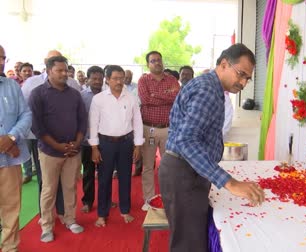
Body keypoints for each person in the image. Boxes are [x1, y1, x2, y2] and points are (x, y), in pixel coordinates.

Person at [159, 43, 265, 251]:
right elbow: (186, 141)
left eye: (248, 78)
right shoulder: (208, 89)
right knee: (188, 244)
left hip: (190, 170)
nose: (243, 83)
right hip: (183, 172)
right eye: (241, 74)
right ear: (224, 64)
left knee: (193, 237)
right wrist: (230, 183)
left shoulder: (213, 88)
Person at [29, 56, 87, 242]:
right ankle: (46, 225)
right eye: (59, 70)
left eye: (66, 70)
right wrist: (57, 146)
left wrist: (76, 143)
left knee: (70, 187)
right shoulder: (37, 94)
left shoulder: (74, 94)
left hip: (72, 150)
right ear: (48, 71)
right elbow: (36, 126)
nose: (64, 74)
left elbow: (82, 121)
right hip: (49, 151)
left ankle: (70, 219)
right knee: (49, 190)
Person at [88, 65, 144, 227]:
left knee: (125, 178)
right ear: (107, 80)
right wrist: (94, 148)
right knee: (104, 180)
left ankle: (125, 210)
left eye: (121, 78)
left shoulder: (131, 97)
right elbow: (93, 123)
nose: (119, 81)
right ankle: (102, 214)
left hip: (126, 143)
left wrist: (138, 146)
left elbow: (138, 123)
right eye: (115, 78)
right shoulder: (99, 99)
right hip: (105, 144)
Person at [138, 51, 180, 211]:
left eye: (159, 60)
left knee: (169, 165)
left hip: (168, 129)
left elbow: (177, 97)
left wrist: (156, 95)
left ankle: (168, 198)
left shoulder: (172, 79)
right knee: (148, 166)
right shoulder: (143, 80)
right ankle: (148, 199)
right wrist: (166, 95)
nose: (157, 63)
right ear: (148, 64)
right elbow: (145, 99)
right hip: (148, 129)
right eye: (153, 61)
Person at [0, 44, 32, 252]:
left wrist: (11, 137)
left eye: (3, 57)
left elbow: (26, 114)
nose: (2, 62)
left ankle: (10, 247)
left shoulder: (11, 86)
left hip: (9, 161)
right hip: (8, 151)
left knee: (11, 207)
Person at [80, 66, 104, 213]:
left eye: (100, 79)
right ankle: (88, 201)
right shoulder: (81, 96)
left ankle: (105, 199)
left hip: (105, 141)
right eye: (94, 79)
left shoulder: (109, 95)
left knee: (104, 173)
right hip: (87, 141)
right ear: (88, 80)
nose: (97, 82)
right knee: (88, 173)